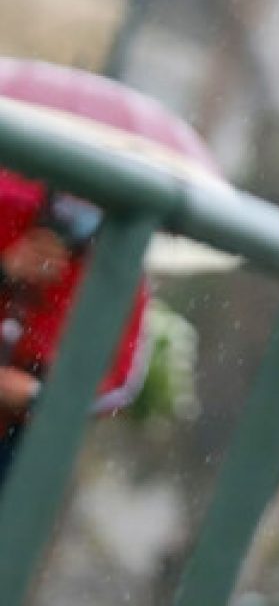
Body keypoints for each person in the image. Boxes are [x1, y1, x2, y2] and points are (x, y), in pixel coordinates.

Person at [0, 169, 149, 482]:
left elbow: (119, 382)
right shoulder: (9, 203)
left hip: (22, 439)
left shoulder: (118, 269)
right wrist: (6, 268)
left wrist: (37, 393)